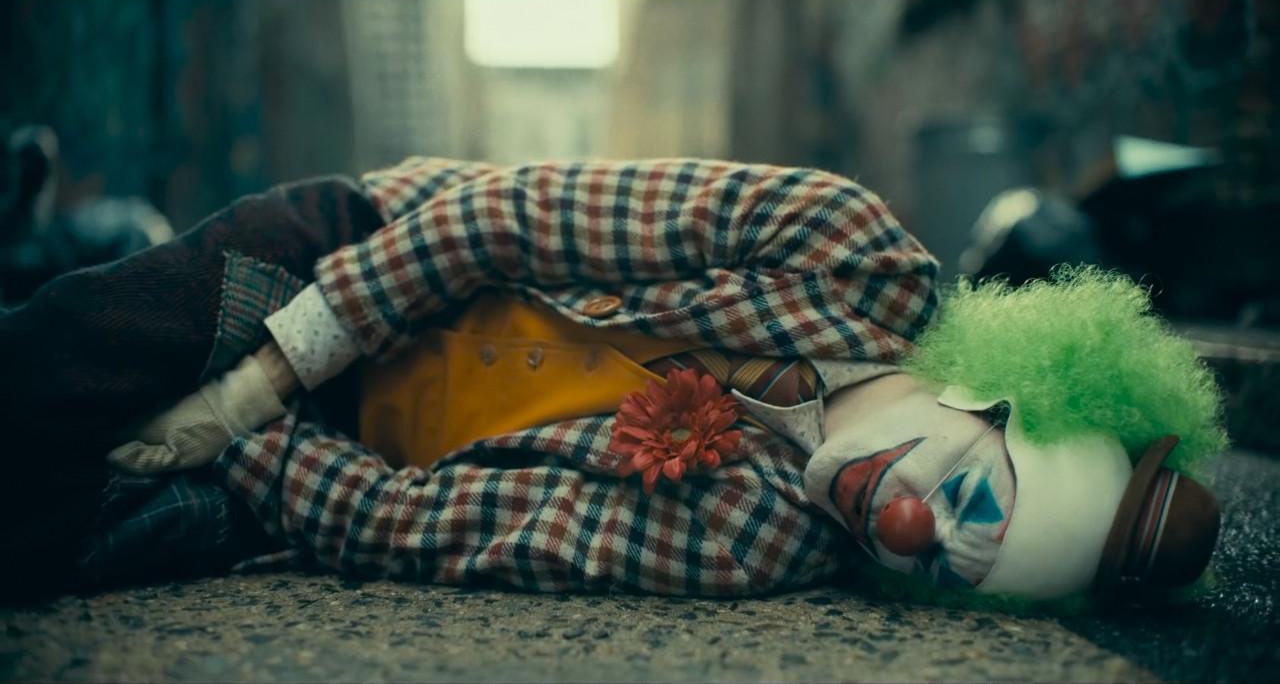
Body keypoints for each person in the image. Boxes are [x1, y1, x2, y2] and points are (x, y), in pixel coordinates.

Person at [10, 157, 1227, 607]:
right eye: (965, 494)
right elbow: (505, 215)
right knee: (71, 357)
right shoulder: (847, 246)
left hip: (325, 457)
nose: (902, 526)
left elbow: (440, 524)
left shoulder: (757, 540)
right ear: (988, 400)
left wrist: (250, 445)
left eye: (942, 565)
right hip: (353, 256)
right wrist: (257, 380)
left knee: (66, 528)